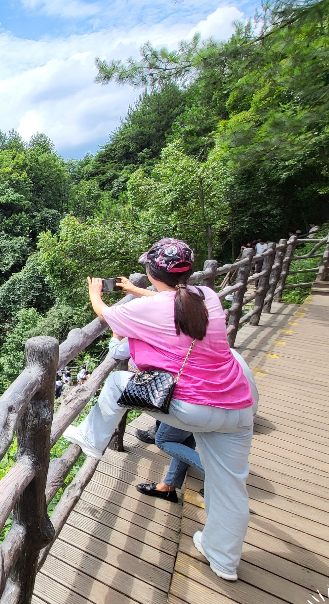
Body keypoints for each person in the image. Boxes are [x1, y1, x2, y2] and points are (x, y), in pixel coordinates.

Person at [63, 238, 255, 581]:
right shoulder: (204, 297)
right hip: (238, 407)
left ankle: (92, 439)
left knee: (117, 384)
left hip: (193, 407)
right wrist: (137, 291)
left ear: (151, 271)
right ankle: (224, 560)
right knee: (231, 486)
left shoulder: (147, 310)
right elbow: (172, 303)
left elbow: (107, 316)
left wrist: (96, 292)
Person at [110, 336, 260, 503]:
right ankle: (169, 486)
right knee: (185, 437)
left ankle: (220, 477)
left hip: (222, 407)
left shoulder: (174, 343)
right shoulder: (213, 345)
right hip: (242, 406)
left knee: (163, 440)